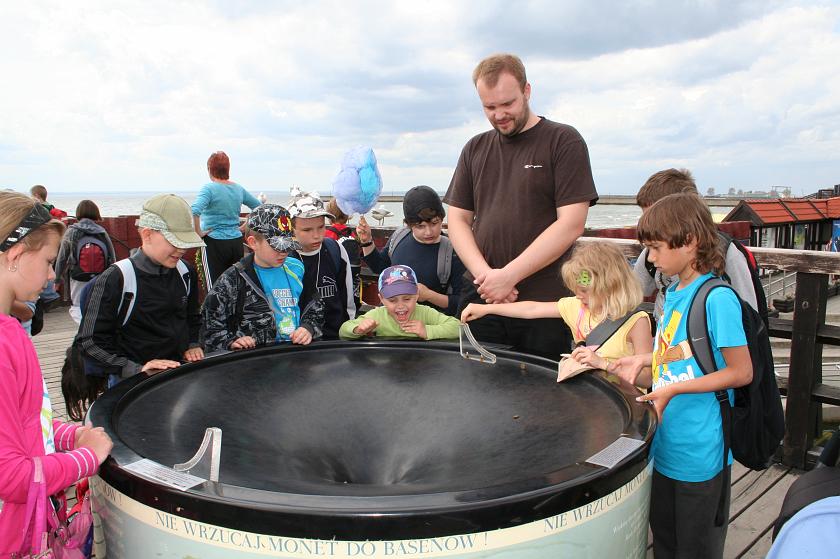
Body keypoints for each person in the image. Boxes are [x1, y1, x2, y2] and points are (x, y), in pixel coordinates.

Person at [609, 192, 753, 559]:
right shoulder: (672, 293)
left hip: (701, 454)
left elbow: (741, 372)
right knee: (666, 542)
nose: (650, 259)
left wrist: (674, 389)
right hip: (666, 444)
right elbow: (678, 353)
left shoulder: (717, 298)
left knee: (695, 548)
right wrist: (643, 360)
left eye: (655, 249)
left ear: (689, 242)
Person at [444, 53, 598, 360]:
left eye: (507, 104)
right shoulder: (475, 148)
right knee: (476, 389)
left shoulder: (563, 141)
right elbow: (457, 219)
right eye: (489, 107)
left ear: (527, 91)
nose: (499, 114)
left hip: (546, 302)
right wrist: (489, 279)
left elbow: (571, 223)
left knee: (542, 399)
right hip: (482, 299)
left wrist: (509, 276)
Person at [0, 191, 112, 555]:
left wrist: (70, 436)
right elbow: (10, 476)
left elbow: (24, 421)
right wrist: (86, 458)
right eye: (49, 261)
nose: (52, 276)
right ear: (15, 255)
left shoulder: (13, 329)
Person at [76, 194, 205, 384]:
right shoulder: (117, 279)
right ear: (147, 234)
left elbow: (193, 318)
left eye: (185, 242)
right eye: (175, 241)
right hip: (133, 380)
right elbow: (88, 342)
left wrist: (194, 343)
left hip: (179, 373)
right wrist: (135, 368)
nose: (181, 249)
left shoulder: (186, 272)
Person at [461, 242, 652, 370]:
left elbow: (646, 377)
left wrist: (603, 364)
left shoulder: (636, 323)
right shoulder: (577, 308)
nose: (578, 295)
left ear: (609, 285)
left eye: (584, 290)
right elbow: (531, 309)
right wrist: (486, 309)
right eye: (575, 289)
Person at [633, 168, 759, 322]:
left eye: (653, 216)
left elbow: (749, 314)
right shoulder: (652, 252)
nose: (648, 223)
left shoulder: (728, 254)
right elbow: (633, 291)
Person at [202, 204, 323, 353]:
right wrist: (232, 342)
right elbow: (210, 328)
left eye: (287, 245)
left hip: (295, 354)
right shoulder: (232, 280)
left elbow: (316, 307)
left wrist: (308, 328)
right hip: (255, 361)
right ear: (253, 242)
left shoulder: (297, 268)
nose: (284, 252)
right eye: (277, 246)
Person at [357, 185, 465, 316]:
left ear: (442, 219)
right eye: (420, 226)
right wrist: (367, 241)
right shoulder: (399, 237)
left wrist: (430, 295)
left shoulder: (452, 251)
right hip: (394, 321)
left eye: (435, 223)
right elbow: (380, 268)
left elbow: (461, 302)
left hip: (429, 326)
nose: (429, 231)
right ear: (408, 224)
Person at [288, 188, 357, 339]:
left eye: (321, 227)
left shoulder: (336, 250)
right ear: (292, 230)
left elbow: (348, 301)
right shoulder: (285, 258)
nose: (316, 235)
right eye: (307, 230)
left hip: (335, 339)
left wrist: (349, 333)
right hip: (298, 341)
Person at [191, 151, 261, 289]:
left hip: (214, 242)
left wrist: (198, 232)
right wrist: (244, 226)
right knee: (235, 285)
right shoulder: (238, 189)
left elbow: (195, 210)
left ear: (210, 169)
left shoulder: (209, 188)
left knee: (214, 287)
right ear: (228, 169)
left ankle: (213, 311)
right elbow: (258, 207)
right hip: (235, 242)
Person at [340, 265, 459, 340]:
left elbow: (458, 328)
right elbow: (343, 330)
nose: (401, 306)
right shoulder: (378, 316)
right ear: (381, 299)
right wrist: (358, 329)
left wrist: (428, 330)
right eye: (392, 300)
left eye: (407, 299)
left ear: (417, 295)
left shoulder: (425, 313)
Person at [54, 199, 117, 323]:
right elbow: (112, 256)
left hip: (78, 275)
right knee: (97, 303)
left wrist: (57, 279)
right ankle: (92, 329)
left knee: (77, 306)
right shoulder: (101, 232)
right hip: (100, 275)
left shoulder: (71, 231)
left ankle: (84, 330)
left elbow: (62, 257)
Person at [325, 197, 362, 307]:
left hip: (336, 281)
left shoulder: (328, 234)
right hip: (352, 281)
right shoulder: (351, 233)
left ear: (329, 215)